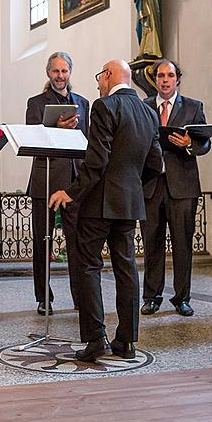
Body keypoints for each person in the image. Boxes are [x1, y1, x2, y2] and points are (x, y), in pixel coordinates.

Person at [49, 60, 163, 362]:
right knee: (126, 269)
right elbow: (156, 164)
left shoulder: (104, 106)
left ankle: (95, 338)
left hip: (99, 203)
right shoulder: (149, 113)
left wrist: (70, 192)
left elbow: (97, 160)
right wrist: (134, 189)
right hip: (129, 203)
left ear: (110, 76)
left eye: (100, 76)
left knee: (88, 266)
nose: (99, 82)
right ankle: (126, 341)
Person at [140, 59, 211, 317]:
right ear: (155, 80)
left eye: (170, 75)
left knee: (182, 244)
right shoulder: (144, 106)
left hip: (183, 185)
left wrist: (189, 143)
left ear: (177, 79)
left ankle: (182, 297)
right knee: (152, 244)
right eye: (160, 76)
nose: (165, 80)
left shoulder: (193, 107)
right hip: (151, 184)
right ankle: (151, 296)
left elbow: (205, 145)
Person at [25, 52, 90, 315]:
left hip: (75, 182)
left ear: (70, 73)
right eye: (55, 71)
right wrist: (57, 129)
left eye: (64, 71)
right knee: (43, 241)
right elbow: (32, 139)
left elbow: (88, 141)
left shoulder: (83, 103)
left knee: (78, 243)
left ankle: (80, 296)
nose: (60, 76)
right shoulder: (36, 103)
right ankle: (44, 297)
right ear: (48, 73)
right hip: (46, 179)